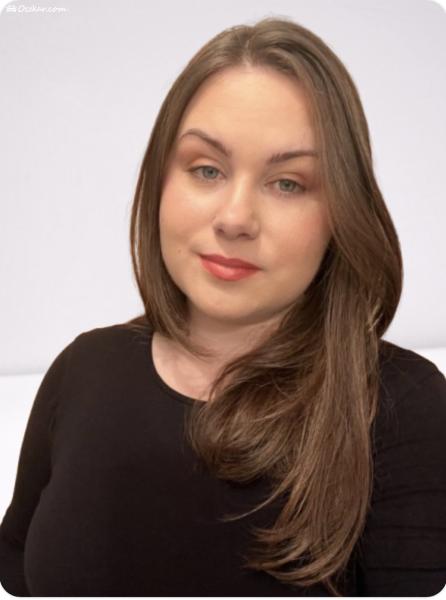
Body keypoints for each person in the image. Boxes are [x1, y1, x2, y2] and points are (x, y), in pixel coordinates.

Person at [1, 16, 445, 597]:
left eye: (288, 183)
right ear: (160, 181)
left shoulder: (403, 407)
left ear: (342, 212)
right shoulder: (81, 369)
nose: (235, 219)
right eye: (206, 169)